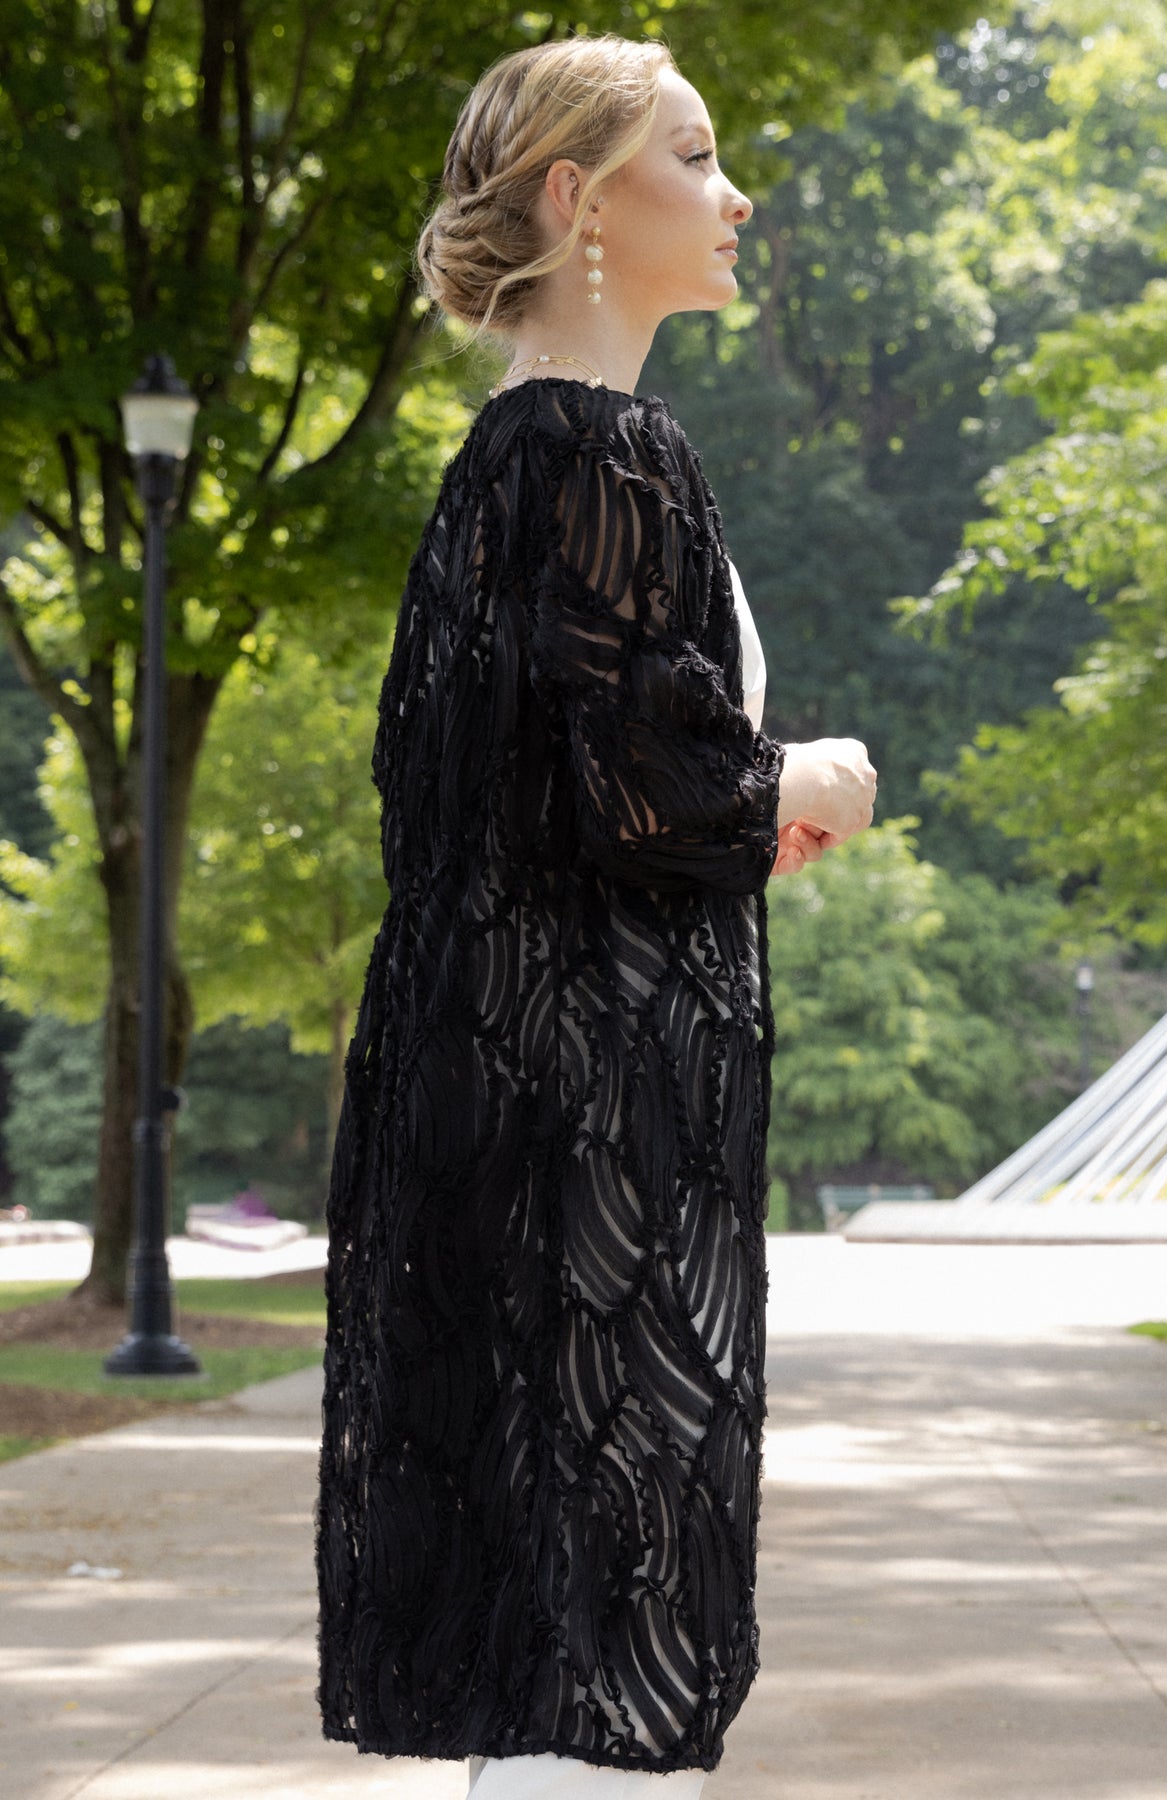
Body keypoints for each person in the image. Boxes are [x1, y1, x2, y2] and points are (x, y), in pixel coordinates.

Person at [315, 34, 876, 1800]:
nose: (736, 196)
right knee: (614, 1631)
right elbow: (657, 783)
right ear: (578, 201)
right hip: (597, 1142)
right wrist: (812, 778)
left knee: (540, 1626)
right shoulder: (614, 449)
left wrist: (725, 830)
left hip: (491, 1117)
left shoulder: (497, 461)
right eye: (693, 158)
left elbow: (514, 810)